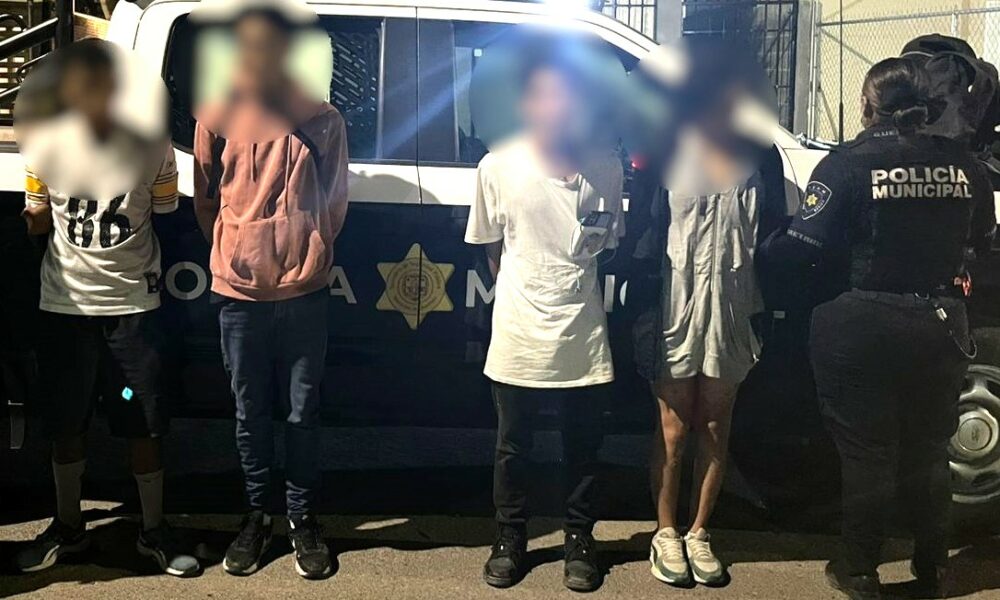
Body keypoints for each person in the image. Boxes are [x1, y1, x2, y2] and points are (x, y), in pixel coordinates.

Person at [760, 58, 996, 600]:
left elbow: (801, 248)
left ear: (868, 104)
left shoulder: (846, 166)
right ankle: (933, 567)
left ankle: (861, 568)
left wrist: (767, 246)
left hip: (861, 323)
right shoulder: (965, 166)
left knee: (867, 452)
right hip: (939, 324)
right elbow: (981, 240)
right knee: (930, 449)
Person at [14, 40, 200, 577]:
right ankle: (68, 526)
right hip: (65, 303)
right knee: (65, 421)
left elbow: (165, 209)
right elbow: (37, 215)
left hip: (132, 305)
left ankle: (153, 529)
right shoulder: (44, 144)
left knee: (144, 421)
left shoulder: (152, 143)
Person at [192, 8, 349, 580]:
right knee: (250, 411)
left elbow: (335, 201)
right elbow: (205, 196)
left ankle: (302, 518)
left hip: (304, 291)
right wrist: (235, 250)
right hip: (238, 294)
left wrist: (307, 249)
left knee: (303, 412)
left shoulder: (322, 118)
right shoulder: (216, 114)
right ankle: (257, 516)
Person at [465, 54, 624, 593]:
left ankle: (579, 537)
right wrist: (529, 289)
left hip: (583, 330)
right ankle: (510, 538)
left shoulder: (606, 167)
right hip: (520, 331)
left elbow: (606, 243)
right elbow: (492, 249)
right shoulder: (497, 167)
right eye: (544, 95)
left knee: (584, 445)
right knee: (513, 447)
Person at [638, 172, 764, 588]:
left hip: (732, 311)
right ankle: (665, 534)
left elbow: (772, 236)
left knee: (714, 425)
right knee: (672, 429)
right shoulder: (665, 154)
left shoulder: (758, 159)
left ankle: (698, 533)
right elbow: (642, 231)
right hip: (674, 307)